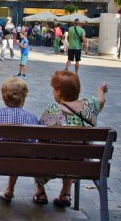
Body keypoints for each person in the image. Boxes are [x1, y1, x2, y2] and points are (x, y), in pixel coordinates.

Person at [35, 70, 108, 206]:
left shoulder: (52, 109)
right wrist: (101, 91)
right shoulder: (90, 105)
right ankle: (66, 193)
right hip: (81, 164)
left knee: (37, 152)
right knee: (73, 153)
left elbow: (41, 137)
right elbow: (102, 101)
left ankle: (40, 192)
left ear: (58, 91)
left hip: (53, 162)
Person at [0, 77, 38, 202]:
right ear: (23, 98)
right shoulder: (31, 118)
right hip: (21, 162)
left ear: (4, 97)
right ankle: (10, 190)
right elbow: (33, 141)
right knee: (19, 151)